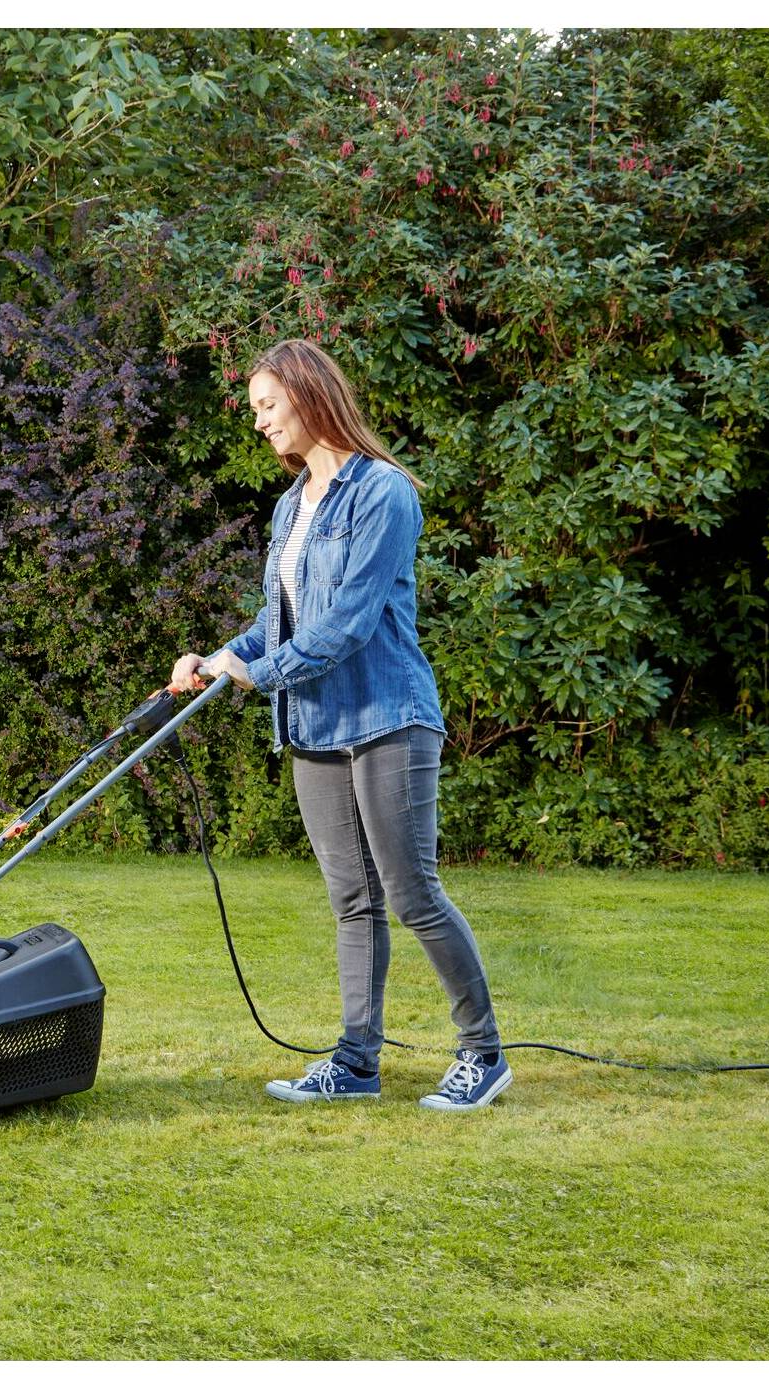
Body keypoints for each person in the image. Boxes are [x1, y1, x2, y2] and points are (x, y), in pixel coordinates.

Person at [166, 338, 510, 1111]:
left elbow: (348, 622)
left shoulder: (382, 493)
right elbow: (279, 618)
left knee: (411, 892)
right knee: (350, 900)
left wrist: (257, 673)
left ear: (308, 396)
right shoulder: (292, 505)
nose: (258, 423)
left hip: (387, 715)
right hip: (315, 723)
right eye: (254, 409)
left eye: (267, 406)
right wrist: (218, 655)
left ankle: (481, 1053)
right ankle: (356, 1061)